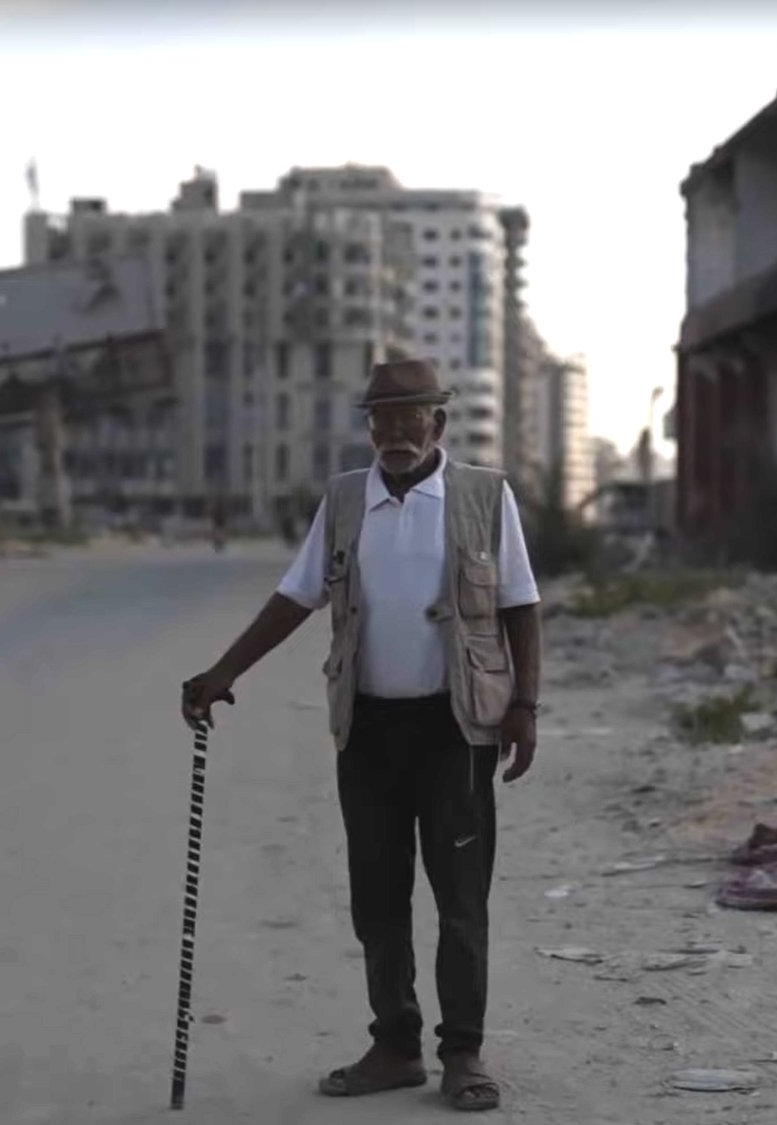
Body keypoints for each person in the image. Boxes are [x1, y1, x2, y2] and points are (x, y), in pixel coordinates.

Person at [181, 357, 542, 1113]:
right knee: (377, 894)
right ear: (369, 427)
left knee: (460, 897)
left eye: (411, 417)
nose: (395, 433)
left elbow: (519, 604)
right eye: (381, 418)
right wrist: (223, 671)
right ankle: (396, 1044)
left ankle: (463, 1051)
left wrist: (525, 707)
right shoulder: (347, 499)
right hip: (370, 725)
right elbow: (296, 596)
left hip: (458, 725)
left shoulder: (483, 495)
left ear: (439, 423)